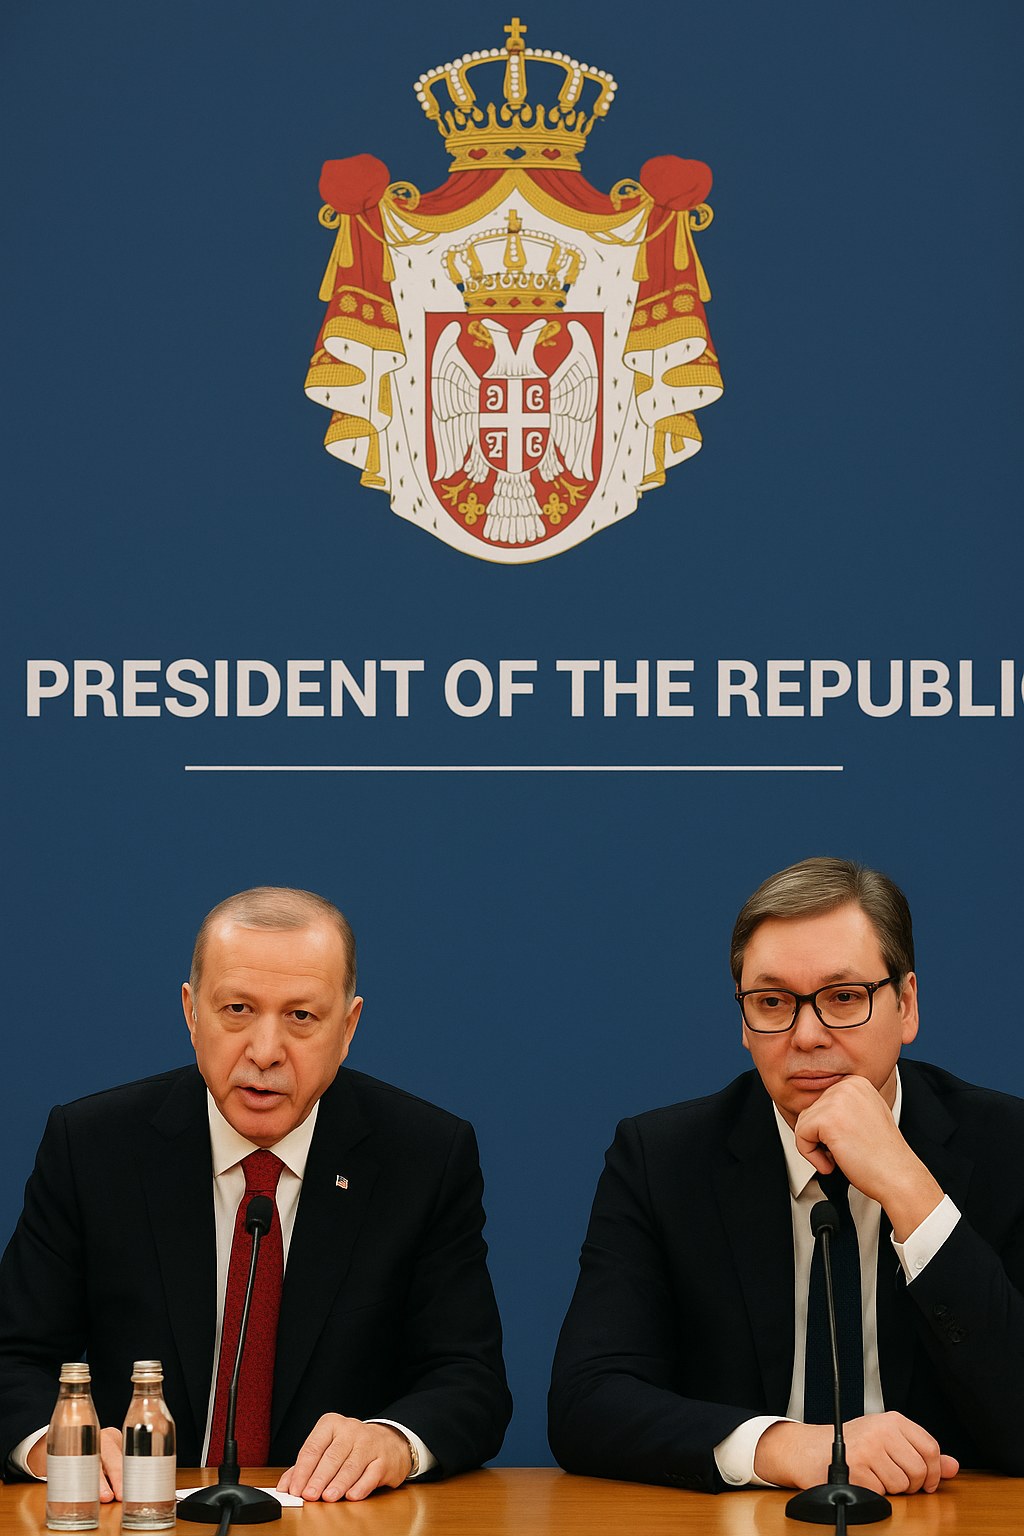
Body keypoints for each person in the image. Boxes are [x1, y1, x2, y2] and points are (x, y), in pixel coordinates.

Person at [0, 887, 511, 1500]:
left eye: (301, 1017)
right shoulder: (93, 1147)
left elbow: (469, 1379)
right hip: (135, 1512)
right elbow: (12, 1357)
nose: (265, 1053)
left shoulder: (423, 1156)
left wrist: (393, 1442)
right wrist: (56, 1445)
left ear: (348, 1028)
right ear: (192, 1014)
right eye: (237, 1009)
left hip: (331, 1519)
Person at [548, 857, 1024, 1496]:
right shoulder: (662, 1160)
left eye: (844, 998)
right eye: (772, 1003)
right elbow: (586, 1401)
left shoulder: (1008, 1147)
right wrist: (786, 1447)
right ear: (744, 1023)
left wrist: (913, 1192)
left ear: (906, 1005)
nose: (807, 1036)